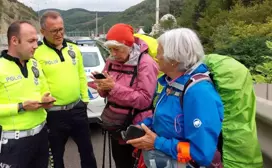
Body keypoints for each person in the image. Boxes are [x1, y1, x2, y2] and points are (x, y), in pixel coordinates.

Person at [127, 28, 224, 168]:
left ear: (174, 59)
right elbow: (166, 120)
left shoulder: (199, 93)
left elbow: (201, 154)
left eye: (159, 52)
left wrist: (157, 143)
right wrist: (143, 126)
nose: (156, 57)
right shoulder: (173, 83)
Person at [0, 20, 56, 168]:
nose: (36, 46)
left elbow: (43, 91)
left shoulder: (34, 64)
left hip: (41, 137)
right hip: (14, 145)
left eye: (36, 41)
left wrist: (45, 100)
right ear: (14, 41)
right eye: (31, 41)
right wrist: (20, 107)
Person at [33, 10, 97, 168]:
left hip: (77, 109)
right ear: (42, 32)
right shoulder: (36, 53)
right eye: (54, 31)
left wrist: (85, 100)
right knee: (56, 157)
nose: (59, 34)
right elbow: (34, 82)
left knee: (87, 152)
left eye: (61, 29)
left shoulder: (73, 49)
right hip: (54, 115)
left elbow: (81, 75)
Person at [92, 23, 159, 168]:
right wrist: (102, 87)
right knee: (120, 162)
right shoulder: (111, 62)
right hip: (115, 124)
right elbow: (106, 92)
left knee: (137, 164)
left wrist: (114, 88)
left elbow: (144, 100)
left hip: (137, 127)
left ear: (128, 45)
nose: (113, 54)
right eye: (110, 49)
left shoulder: (146, 63)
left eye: (117, 49)